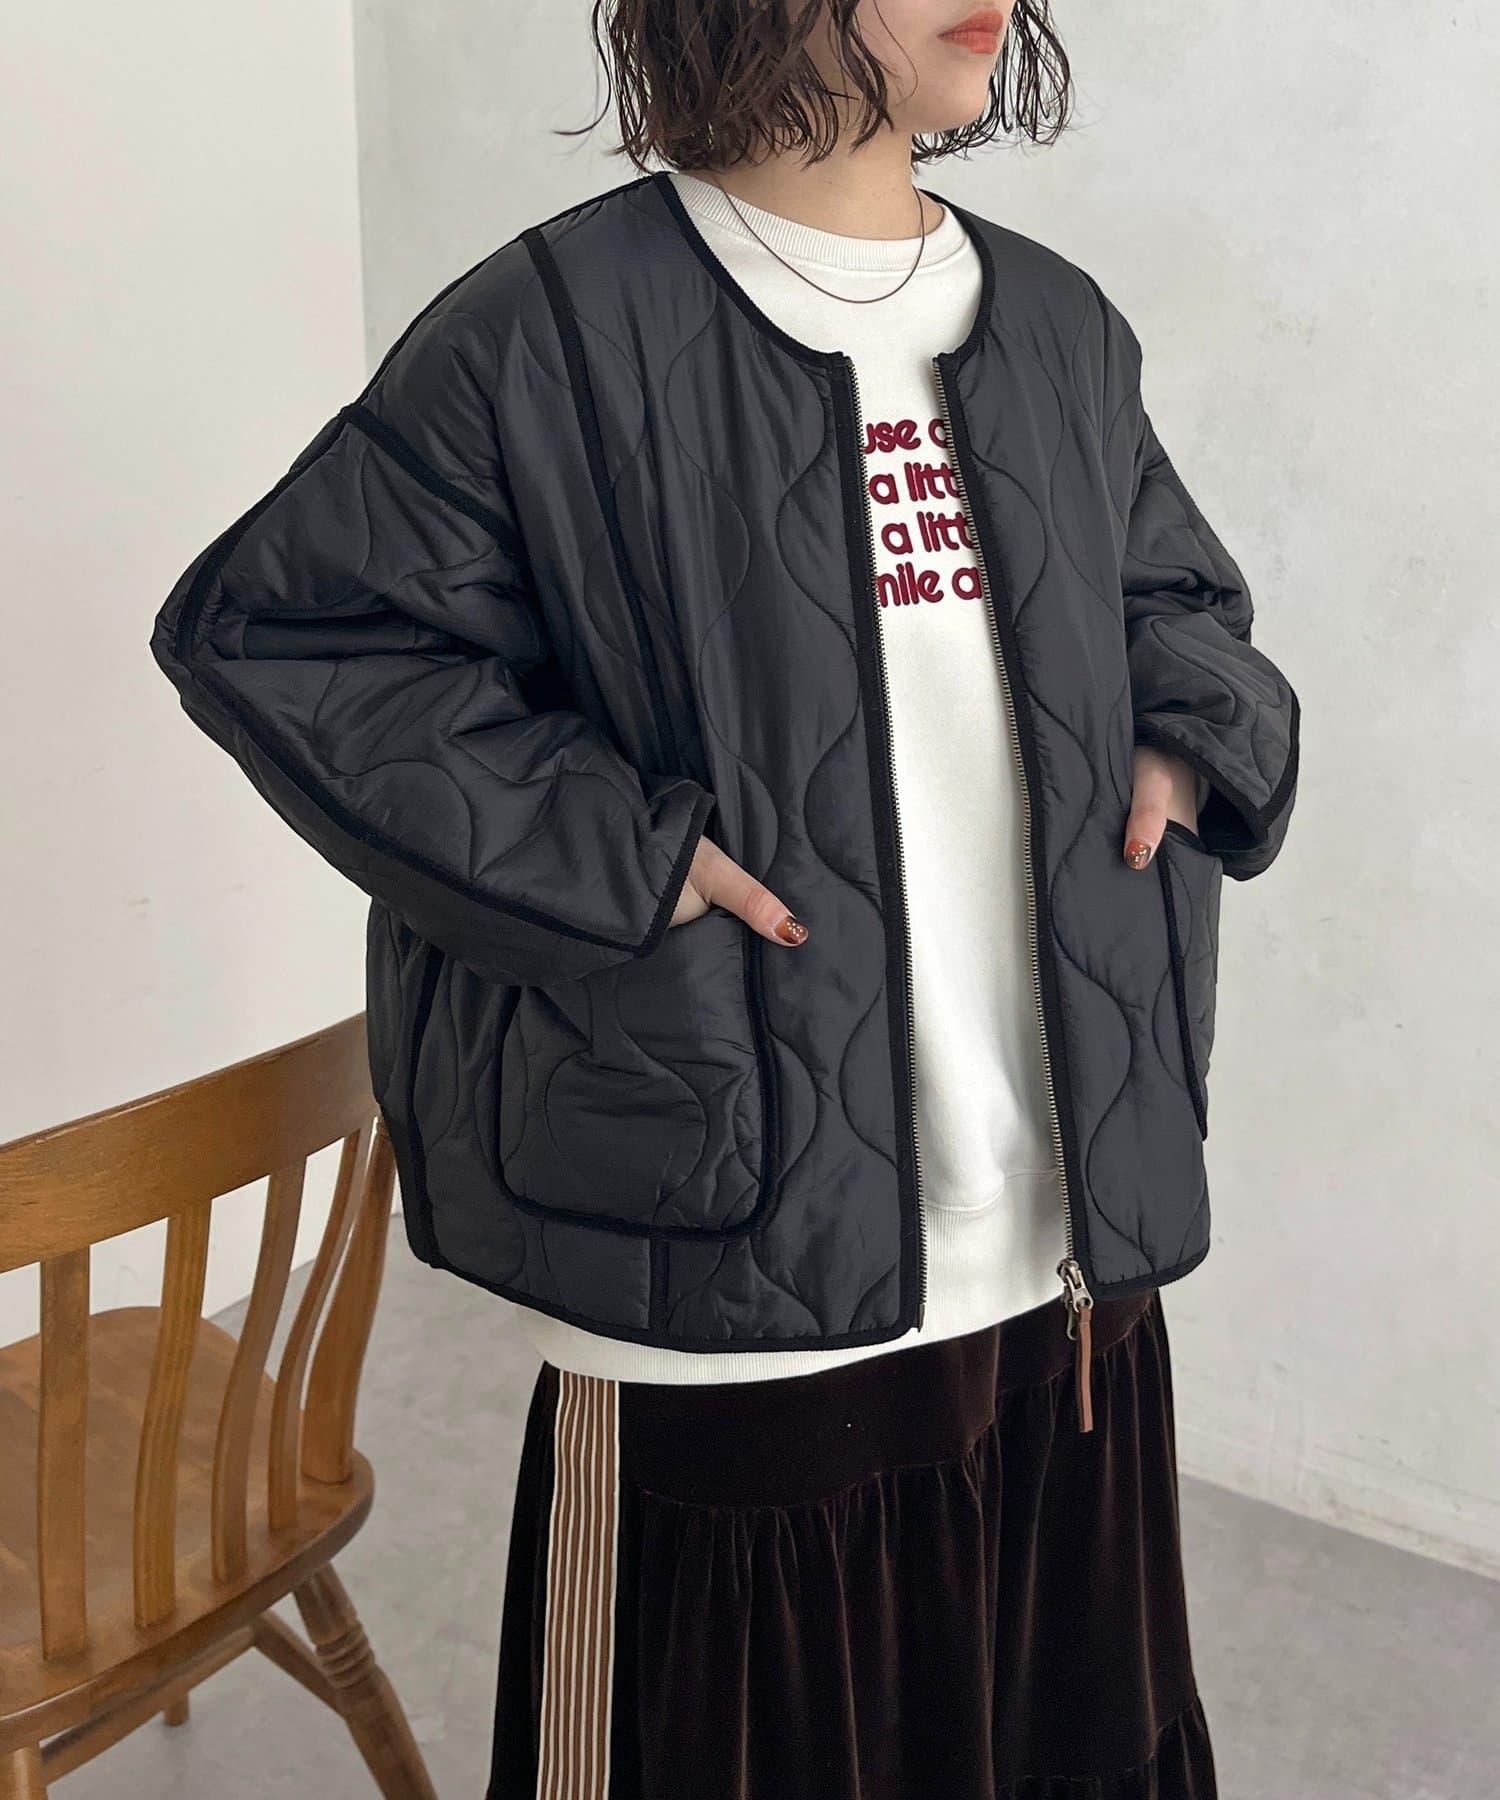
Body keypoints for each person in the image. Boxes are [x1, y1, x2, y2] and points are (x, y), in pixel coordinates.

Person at [150, 2, 1299, 1794]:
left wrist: (1189, 732)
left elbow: (1178, 603)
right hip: (730, 1241)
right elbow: (291, 634)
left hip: (1067, 1233)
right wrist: (622, 851)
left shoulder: (1061, 326)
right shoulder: (553, 327)